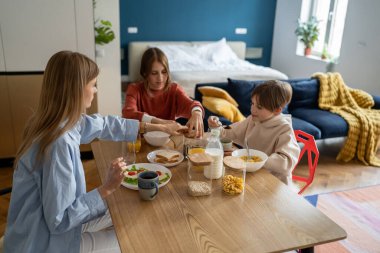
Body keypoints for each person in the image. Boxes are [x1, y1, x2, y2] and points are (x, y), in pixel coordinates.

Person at [3, 51, 187, 253]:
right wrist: (106, 188)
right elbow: (60, 220)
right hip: (43, 242)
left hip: (46, 228)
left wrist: (159, 126)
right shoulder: (58, 143)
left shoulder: (56, 122)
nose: (96, 90)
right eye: (93, 84)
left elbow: (105, 124)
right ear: (76, 90)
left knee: (125, 211)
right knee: (131, 240)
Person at [208, 80, 300, 185]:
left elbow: (286, 163)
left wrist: (250, 159)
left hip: (274, 183)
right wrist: (216, 127)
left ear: (277, 110)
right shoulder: (253, 119)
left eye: (259, 107)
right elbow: (231, 132)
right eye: (252, 103)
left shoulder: (284, 129)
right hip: (253, 175)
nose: (253, 109)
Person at [122, 47, 204, 138]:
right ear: (145, 73)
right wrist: (160, 122)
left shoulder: (174, 89)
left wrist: (197, 112)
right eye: (154, 73)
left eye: (164, 72)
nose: (160, 78)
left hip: (168, 143)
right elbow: (128, 114)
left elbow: (192, 104)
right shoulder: (134, 89)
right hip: (141, 142)